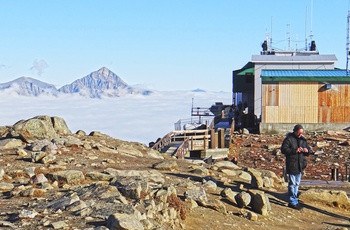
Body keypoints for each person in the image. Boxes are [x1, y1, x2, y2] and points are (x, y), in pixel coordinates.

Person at [281, 124, 313, 210]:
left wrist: (307, 151)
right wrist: (295, 150)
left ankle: (295, 200)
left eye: (301, 133)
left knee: (297, 184)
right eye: (299, 133)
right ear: (295, 131)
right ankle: (292, 201)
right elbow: (283, 149)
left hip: (300, 165)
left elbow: (309, 150)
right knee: (292, 184)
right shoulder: (289, 139)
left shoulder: (303, 140)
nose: (300, 135)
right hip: (292, 164)